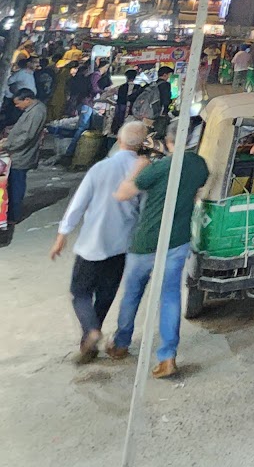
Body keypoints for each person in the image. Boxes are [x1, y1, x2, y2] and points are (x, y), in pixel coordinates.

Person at [110, 124, 209, 377]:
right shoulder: (199, 165)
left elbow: (122, 194)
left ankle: (121, 344)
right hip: (177, 241)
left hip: (146, 242)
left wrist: (139, 168)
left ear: (167, 141)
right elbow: (198, 191)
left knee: (132, 293)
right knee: (170, 296)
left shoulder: (158, 168)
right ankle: (167, 356)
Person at [49, 120, 149, 362]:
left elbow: (78, 204)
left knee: (80, 292)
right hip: (122, 244)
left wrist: (62, 235)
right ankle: (90, 341)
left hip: (92, 244)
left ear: (119, 140)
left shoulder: (100, 168)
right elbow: (145, 209)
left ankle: (91, 331)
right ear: (142, 144)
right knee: (106, 293)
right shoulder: (143, 171)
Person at [2, 90, 49, 229]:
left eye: (18, 103)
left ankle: (14, 216)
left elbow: (26, 136)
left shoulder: (37, 112)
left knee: (16, 185)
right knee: (14, 184)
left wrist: (7, 145)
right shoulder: (33, 109)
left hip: (22, 154)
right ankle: (11, 213)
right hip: (18, 151)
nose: (17, 106)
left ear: (27, 99)